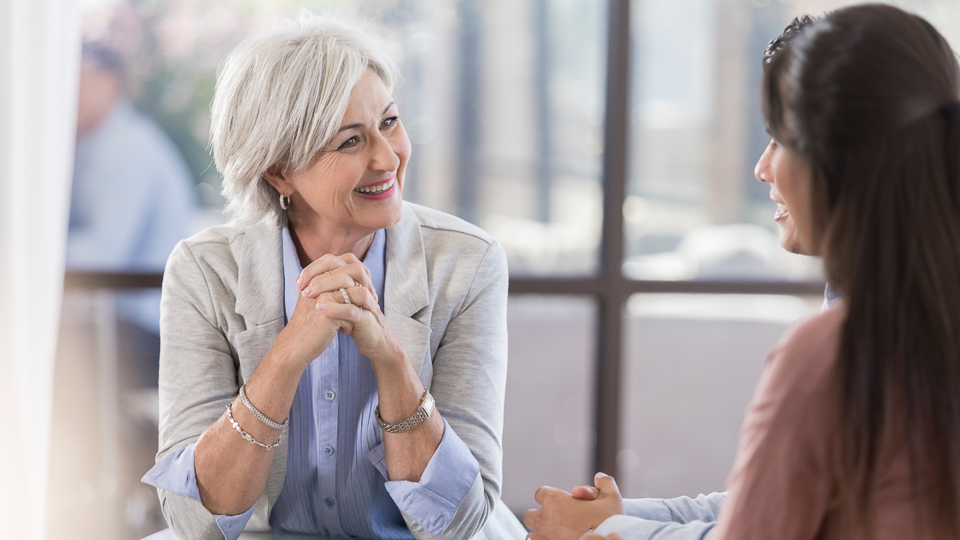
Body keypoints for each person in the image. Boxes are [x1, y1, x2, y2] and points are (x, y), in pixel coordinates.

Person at [525, 4, 960, 539]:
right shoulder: (919, 312)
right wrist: (620, 519)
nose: (761, 167)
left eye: (779, 138)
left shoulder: (838, 349)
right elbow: (776, 499)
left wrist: (601, 534)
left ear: (836, 158)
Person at [140, 14, 526, 540]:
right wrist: (286, 354)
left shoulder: (467, 262)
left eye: (389, 122)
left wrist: (390, 360)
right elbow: (195, 521)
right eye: (350, 142)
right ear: (278, 171)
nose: (388, 157)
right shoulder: (206, 272)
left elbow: (459, 522)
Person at [69, 42, 197, 387]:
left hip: (141, 328)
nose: (64, 89)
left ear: (109, 82)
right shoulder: (92, 147)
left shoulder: (130, 150)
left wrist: (23, 256)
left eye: (75, 76)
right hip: (108, 318)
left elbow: (103, 254)